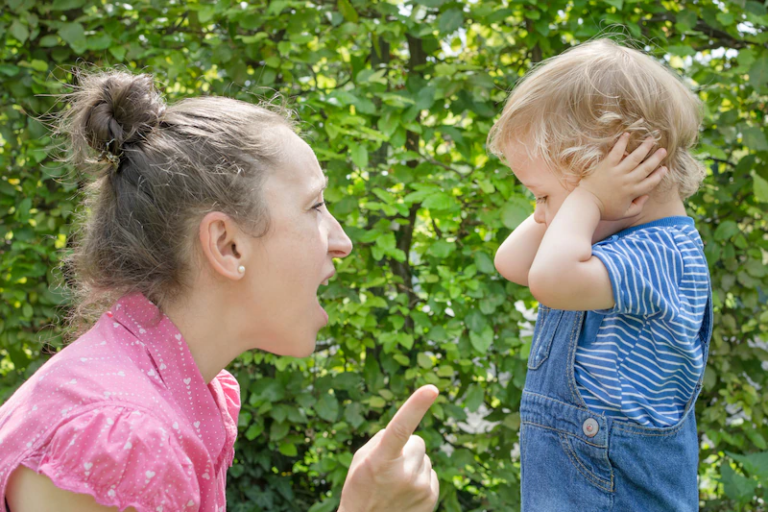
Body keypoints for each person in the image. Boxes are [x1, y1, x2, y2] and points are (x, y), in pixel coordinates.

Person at [0, 70, 440, 512]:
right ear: (227, 246)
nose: (342, 242)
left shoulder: (153, 391)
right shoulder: (127, 437)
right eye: (315, 206)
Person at [488, 39, 713, 511]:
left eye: (543, 197)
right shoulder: (601, 243)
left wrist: (586, 198)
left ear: (619, 170)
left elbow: (548, 280)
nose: (540, 213)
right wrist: (568, 198)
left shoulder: (661, 254)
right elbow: (511, 264)